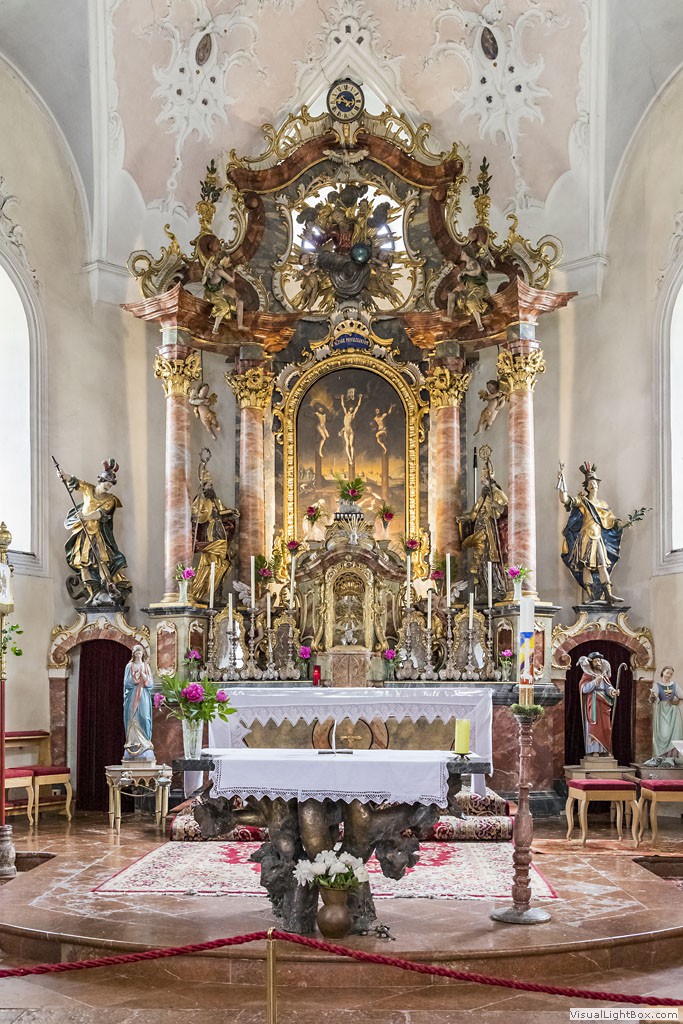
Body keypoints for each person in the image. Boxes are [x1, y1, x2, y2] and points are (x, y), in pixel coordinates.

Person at [558, 461, 647, 604]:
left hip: (598, 537)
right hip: (586, 537)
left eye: (595, 482)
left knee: (602, 564)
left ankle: (608, 594)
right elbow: (565, 500)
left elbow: (612, 521)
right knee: (586, 566)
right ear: (587, 487)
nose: (593, 484)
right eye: (590, 483)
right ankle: (591, 595)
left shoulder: (603, 504)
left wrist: (625, 523)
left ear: (598, 485)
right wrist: (562, 482)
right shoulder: (583, 501)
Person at [62, 459, 132, 606]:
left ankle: (109, 588)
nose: (108, 486)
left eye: (110, 484)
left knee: (102, 561)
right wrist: (64, 475)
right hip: (82, 532)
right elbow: (75, 481)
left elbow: (101, 514)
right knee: (82, 563)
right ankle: (93, 593)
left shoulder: (110, 500)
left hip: (96, 534)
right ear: (101, 479)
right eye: (106, 482)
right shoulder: (89, 489)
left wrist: (85, 516)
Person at [578, 652, 619, 756]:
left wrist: (613, 692)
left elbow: (608, 687)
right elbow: (584, 689)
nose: (598, 663)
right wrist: (595, 681)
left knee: (606, 727)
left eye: (599, 661)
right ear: (591, 663)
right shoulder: (588, 674)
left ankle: (605, 750)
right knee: (594, 726)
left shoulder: (603, 675)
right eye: (596, 661)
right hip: (593, 703)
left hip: (604, 703)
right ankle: (595, 750)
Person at [123, 645, 155, 762]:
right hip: (132, 696)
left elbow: (150, 684)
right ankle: (132, 742)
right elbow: (126, 683)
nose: (139, 654)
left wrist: (145, 677)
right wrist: (135, 678)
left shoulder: (146, 666)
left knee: (145, 717)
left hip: (143, 695)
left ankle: (145, 741)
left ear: (143, 654)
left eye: (140, 652)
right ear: (133, 654)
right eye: (137, 652)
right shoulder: (129, 666)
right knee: (133, 717)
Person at [649, 666, 683, 759]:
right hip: (662, 711)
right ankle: (661, 756)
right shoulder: (657, 685)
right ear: (663, 672)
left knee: (673, 733)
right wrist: (652, 697)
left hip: (673, 711)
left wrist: (676, 700)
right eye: (667, 673)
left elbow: (681, 695)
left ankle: (671, 757)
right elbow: (652, 699)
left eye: (671, 674)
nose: (669, 675)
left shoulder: (674, 685)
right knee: (663, 732)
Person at [339, 389, 362, 465]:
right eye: (351, 408)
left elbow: (358, 406)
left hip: (350, 431)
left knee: (351, 445)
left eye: (352, 408)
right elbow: (343, 406)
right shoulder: (346, 414)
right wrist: (342, 398)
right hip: (345, 431)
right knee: (347, 444)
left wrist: (360, 398)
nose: (351, 409)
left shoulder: (353, 415)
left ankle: (352, 457)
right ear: (349, 408)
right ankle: (350, 459)